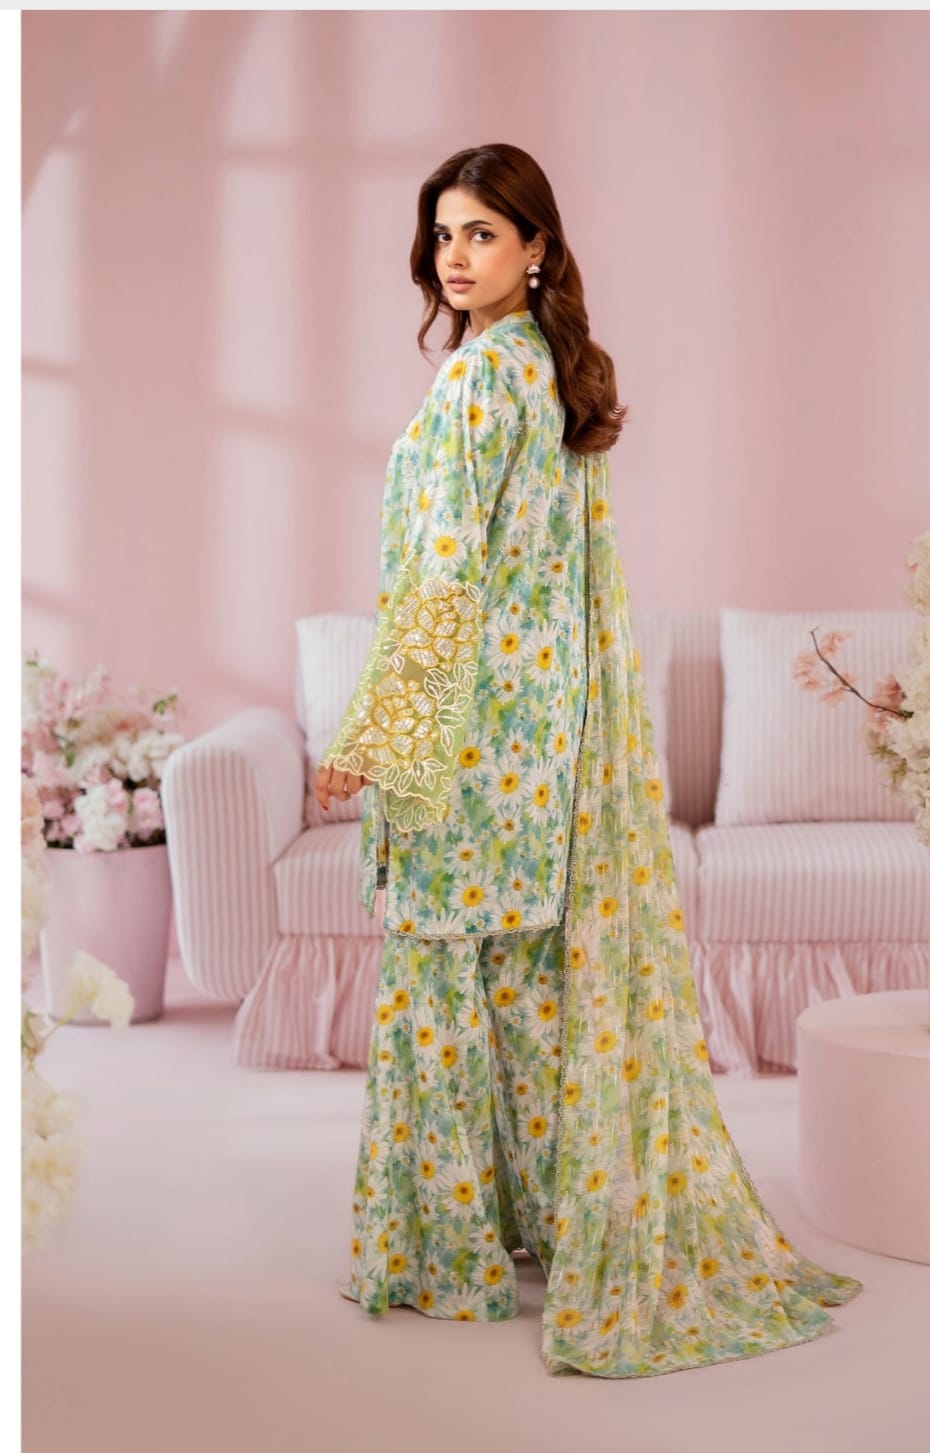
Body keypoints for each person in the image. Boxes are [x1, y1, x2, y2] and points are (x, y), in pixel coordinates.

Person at [315, 142, 863, 1378]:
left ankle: (444, 1256)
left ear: (537, 249)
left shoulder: (477, 384)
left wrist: (377, 736)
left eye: (482, 233)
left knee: (442, 984)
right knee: (518, 989)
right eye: (443, 234)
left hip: (465, 739)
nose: (456, 257)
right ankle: (554, 1221)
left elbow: (445, 580)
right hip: (540, 740)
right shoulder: (551, 374)